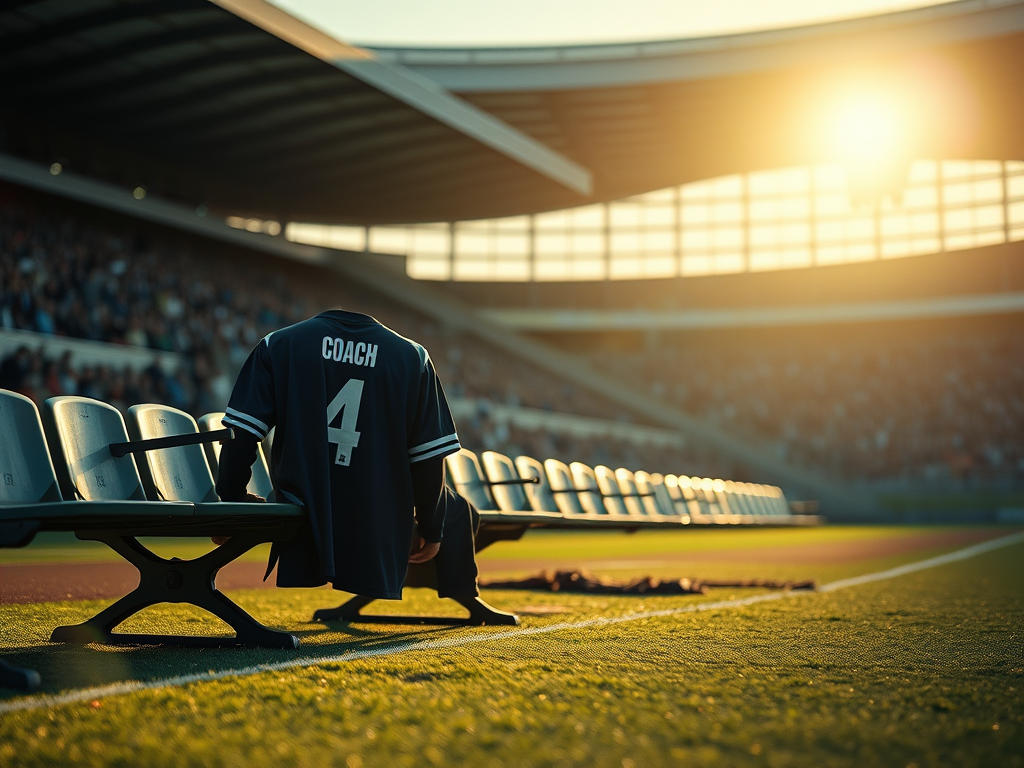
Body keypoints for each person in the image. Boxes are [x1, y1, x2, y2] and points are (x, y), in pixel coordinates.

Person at [216, 308, 460, 599]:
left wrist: (230, 504)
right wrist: (432, 527)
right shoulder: (413, 357)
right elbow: (428, 459)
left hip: (301, 511)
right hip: (375, 515)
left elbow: (240, 435)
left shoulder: (279, 344)